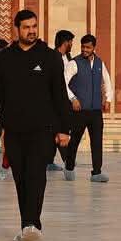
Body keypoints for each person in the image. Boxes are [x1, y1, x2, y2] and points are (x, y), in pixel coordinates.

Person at [0, 9, 70, 241]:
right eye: (26, 27)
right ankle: (26, 224)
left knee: (36, 175)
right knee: (20, 178)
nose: (31, 31)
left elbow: (60, 94)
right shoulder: (4, 59)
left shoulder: (49, 58)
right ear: (17, 29)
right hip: (14, 130)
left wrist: (63, 129)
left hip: (42, 129)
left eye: (34, 26)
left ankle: (32, 224)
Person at [68, 33, 112, 183]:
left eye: (88, 47)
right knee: (74, 140)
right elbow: (63, 83)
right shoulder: (74, 63)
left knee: (97, 141)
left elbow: (107, 81)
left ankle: (96, 172)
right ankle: (69, 166)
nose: (85, 50)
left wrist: (108, 98)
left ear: (94, 48)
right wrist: (73, 98)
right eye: (83, 47)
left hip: (95, 111)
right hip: (80, 111)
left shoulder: (100, 63)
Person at [53, 30, 86, 179]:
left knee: (62, 130)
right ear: (65, 42)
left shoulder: (68, 59)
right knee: (60, 130)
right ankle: (67, 159)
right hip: (56, 102)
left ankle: (62, 159)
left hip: (66, 103)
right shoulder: (53, 58)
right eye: (71, 41)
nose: (72, 44)